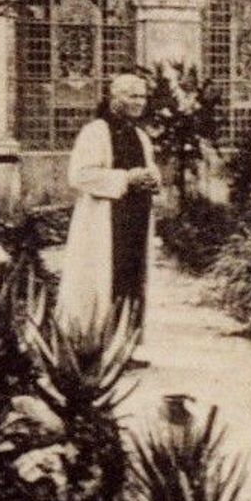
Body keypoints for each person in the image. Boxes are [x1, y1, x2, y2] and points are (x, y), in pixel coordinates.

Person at [59, 72, 161, 351]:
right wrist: (126, 178)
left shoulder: (140, 135)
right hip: (104, 222)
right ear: (115, 98)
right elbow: (79, 176)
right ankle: (93, 347)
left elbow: (149, 169)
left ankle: (123, 348)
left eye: (143, 96)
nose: (140, 102)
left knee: (132, 281)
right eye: (133, 96)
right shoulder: (95, 132)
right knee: (103, 283)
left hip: (136, 219)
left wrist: (152, 178)